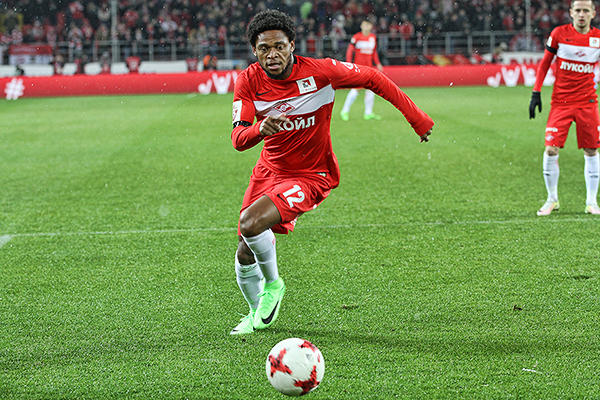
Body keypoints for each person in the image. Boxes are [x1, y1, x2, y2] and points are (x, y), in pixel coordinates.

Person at [229, 9, 434, 335]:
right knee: (244, 250)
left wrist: (417, 118)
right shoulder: (248, 81)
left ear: (292, 44)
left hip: (311, 174)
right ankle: (255, 315)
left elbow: (373, 77)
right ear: (254, 50)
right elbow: (239, 139)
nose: (272, 55)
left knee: (250, 222)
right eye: (264, 48)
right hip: (269, 170)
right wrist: (260, 129)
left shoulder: (321, 72)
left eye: (279, 46)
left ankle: (274, 285)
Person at [529, 0, 600, 216]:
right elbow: (545, 63)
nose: (581, 14)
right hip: (561, 103)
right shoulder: (559, 34)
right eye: (577, 10)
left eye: (585, 10)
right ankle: (552, 199)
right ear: (571, 12)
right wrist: (536, 92)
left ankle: (591, 202)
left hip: (588, 102)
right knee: (551, 149)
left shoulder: (598, 38)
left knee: (591, 150)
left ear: (593, 13)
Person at [339, 20, 384, 121]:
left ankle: (368, 113)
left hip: (369, 68)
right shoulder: (356, 37)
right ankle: (344, 111)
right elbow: (350, 50)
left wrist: (378, 63)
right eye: (364, 25)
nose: (366, 27)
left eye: (368, 25)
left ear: (371, 26)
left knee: (371, 89)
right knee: (356, 89)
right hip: (359, 68)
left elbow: (374, 52)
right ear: (361, 26)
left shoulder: (373, 37)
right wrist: (348, 63)